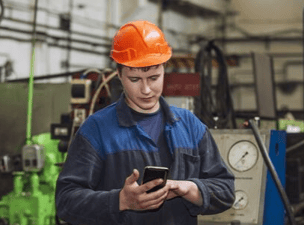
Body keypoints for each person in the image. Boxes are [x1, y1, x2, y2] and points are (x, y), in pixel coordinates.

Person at [55, 20, 235, 225]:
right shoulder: (96, 130)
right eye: (134, 80)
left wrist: (189, 188)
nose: (146, 89)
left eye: (153, 77)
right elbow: (66, 201)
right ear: (120, 75)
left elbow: (226, 191)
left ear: (164, 70)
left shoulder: (190, 126)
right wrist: (119, 201)